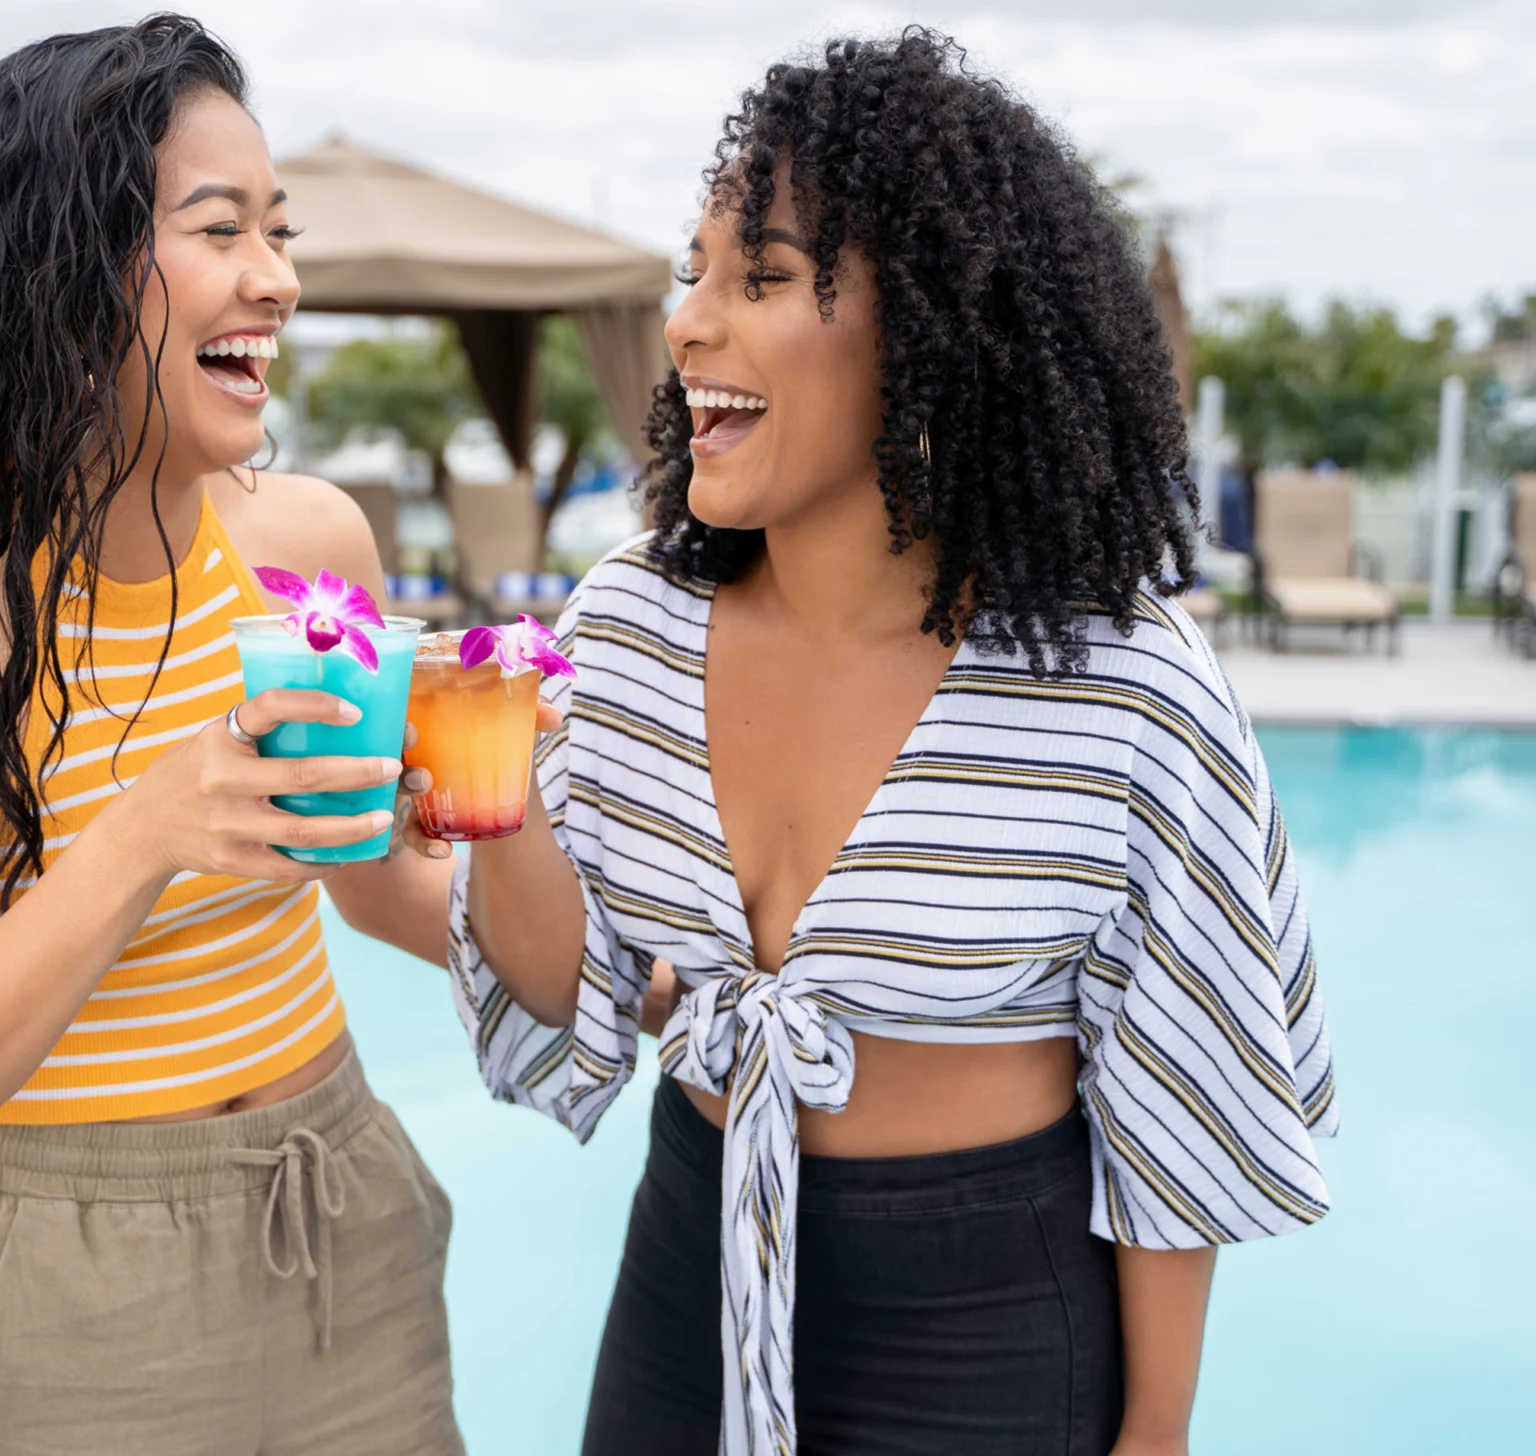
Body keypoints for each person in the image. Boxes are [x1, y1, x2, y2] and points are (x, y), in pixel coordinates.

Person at [445, 31, 1336, 1456]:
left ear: (927, 330)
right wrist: (494, 798)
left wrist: (1156, 1430)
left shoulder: (1120, 685)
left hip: (981, 1309)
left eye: (765, 277)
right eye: (694, 272)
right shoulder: (627, 625)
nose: (687, 324)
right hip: (694, 1253)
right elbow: (567, 989)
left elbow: (1182, 1094)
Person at [0, 17, 465, 1455]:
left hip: (337, 1203)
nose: (280, 279)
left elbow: (373, 877)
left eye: (280, 230)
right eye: (221, 229)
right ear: (65, 266)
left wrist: (611, 933)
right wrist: (143, 836)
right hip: (58, 1275)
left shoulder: (311, 545)